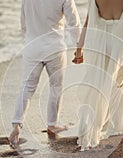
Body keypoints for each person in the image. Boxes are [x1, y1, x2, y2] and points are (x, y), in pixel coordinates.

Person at [72, 0, 123, 150]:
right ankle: (117, 124)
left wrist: (79, 49)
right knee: (118, 83)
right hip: (122, 43)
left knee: (99, 84)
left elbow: (88, 23)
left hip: (100, 43)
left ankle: (90, 124)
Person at [9, 0, 81, 148]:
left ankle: (16, 125)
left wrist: (29, 40)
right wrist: (78, 48)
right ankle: (52, 124)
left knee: (27, 87)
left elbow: (23, 24)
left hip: (32, 46)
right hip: (54, 47)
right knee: (56, 86)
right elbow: (74, 23)